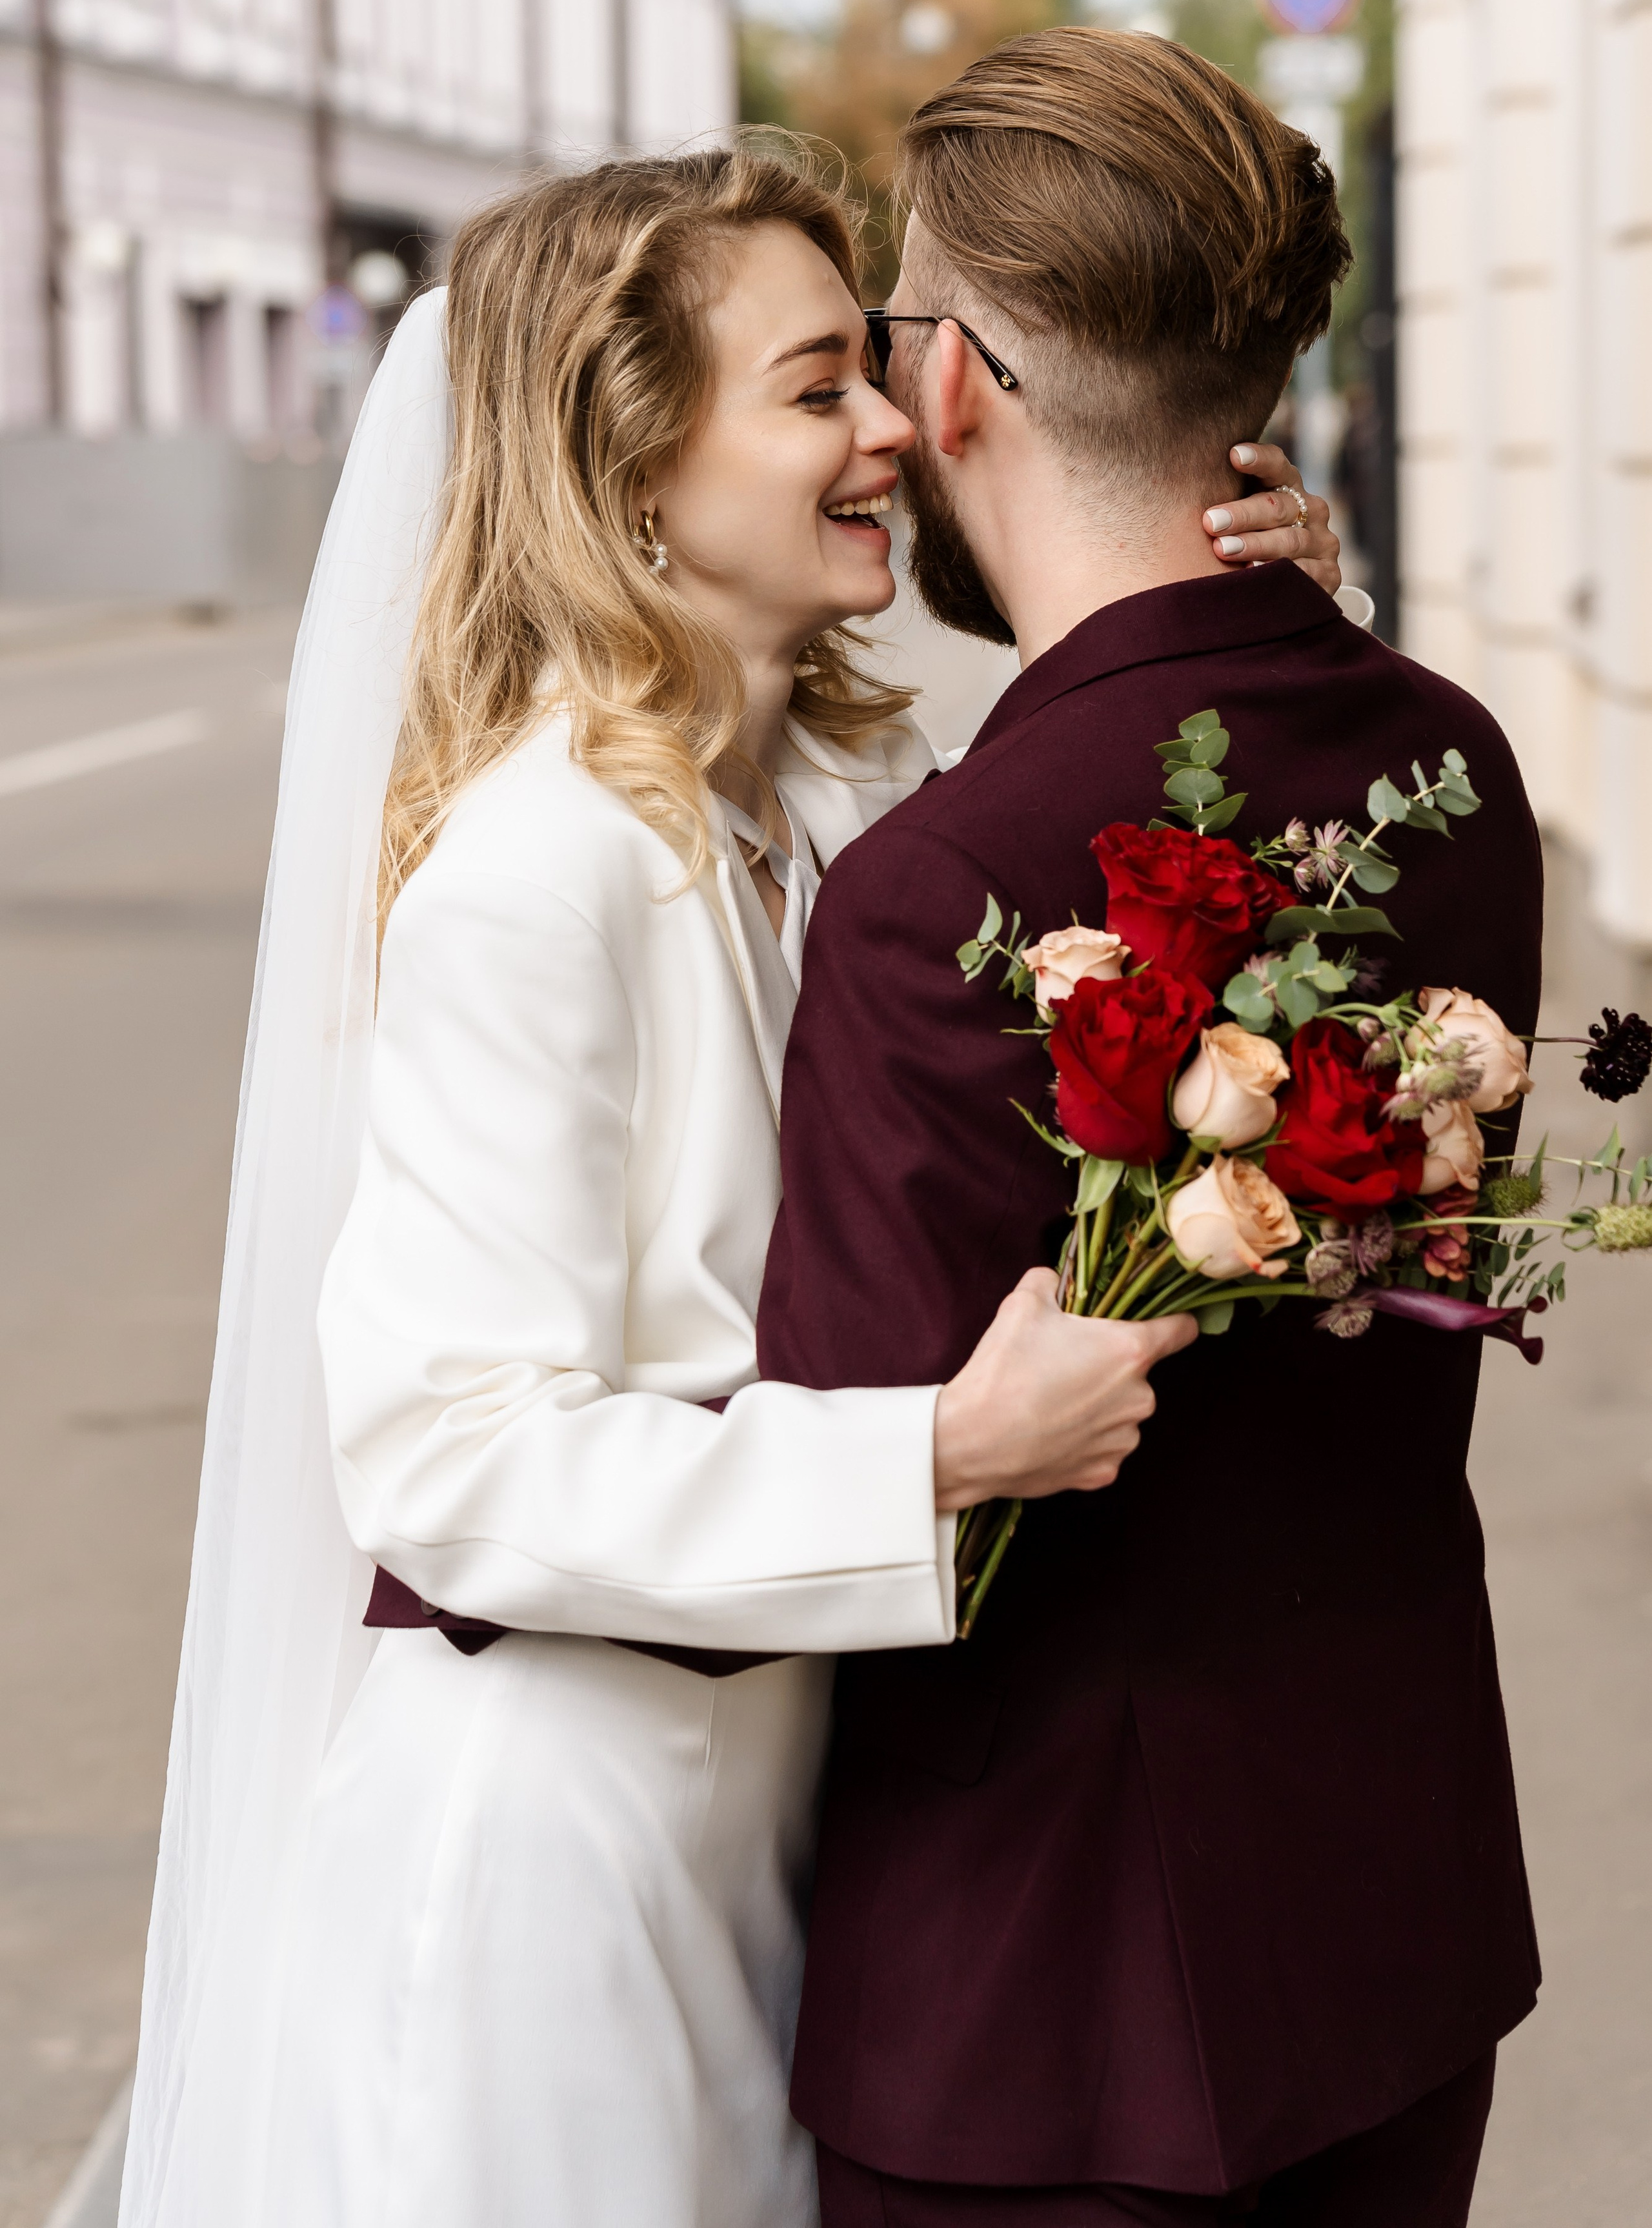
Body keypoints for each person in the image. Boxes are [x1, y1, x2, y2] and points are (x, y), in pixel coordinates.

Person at [116, 142, 1342, 2228]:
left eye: (871, 369)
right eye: (811, 390)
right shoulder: (532, 870)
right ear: (629, 465)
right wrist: (937, 1458)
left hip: (779, 1828)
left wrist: (1270, 617)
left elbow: (1167, 861)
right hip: (554, 1868)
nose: (888, 424)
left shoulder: (853, 802)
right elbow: (449, 1456)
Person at [758, 28, 1544, 2228]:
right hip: (1393, 1916)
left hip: (1044, 2010)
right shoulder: (1459, 766)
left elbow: (853, 1473)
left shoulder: (945, 890)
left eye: (892, 337)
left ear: (970, 382)